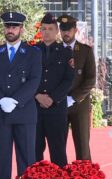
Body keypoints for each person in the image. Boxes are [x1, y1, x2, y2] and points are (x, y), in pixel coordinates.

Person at [0, 11, 42, 179]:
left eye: (14, 26)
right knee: (2, 158)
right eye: (7, 26)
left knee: (27, 158)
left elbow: (34, 81)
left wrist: (14, 100)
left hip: (24, 112)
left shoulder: (33, 53)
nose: (10, 30)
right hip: (1, 112)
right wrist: (2, 100)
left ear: (21, 29)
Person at [35, 13, 74, 167]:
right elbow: (25, 77)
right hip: (35, 108)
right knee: (34, 150)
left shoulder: (66, 52)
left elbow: (68, 80)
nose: (46, 32)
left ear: (57, 30)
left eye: (50, 29)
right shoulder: (32, 51)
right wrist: (37, 95)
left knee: (58, 151)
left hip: (56, 109)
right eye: (43, 29)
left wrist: (52, 98)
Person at [57, 14, 96, 161]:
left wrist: (74, 97)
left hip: (80, 104)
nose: (65, 33)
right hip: (59, 103)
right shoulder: (55, 49)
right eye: (63, 29)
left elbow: (91, 79)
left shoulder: (85, 51)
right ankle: (61, 178)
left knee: (82, 144)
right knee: (58, 144)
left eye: (69, 29)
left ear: (75, 30)